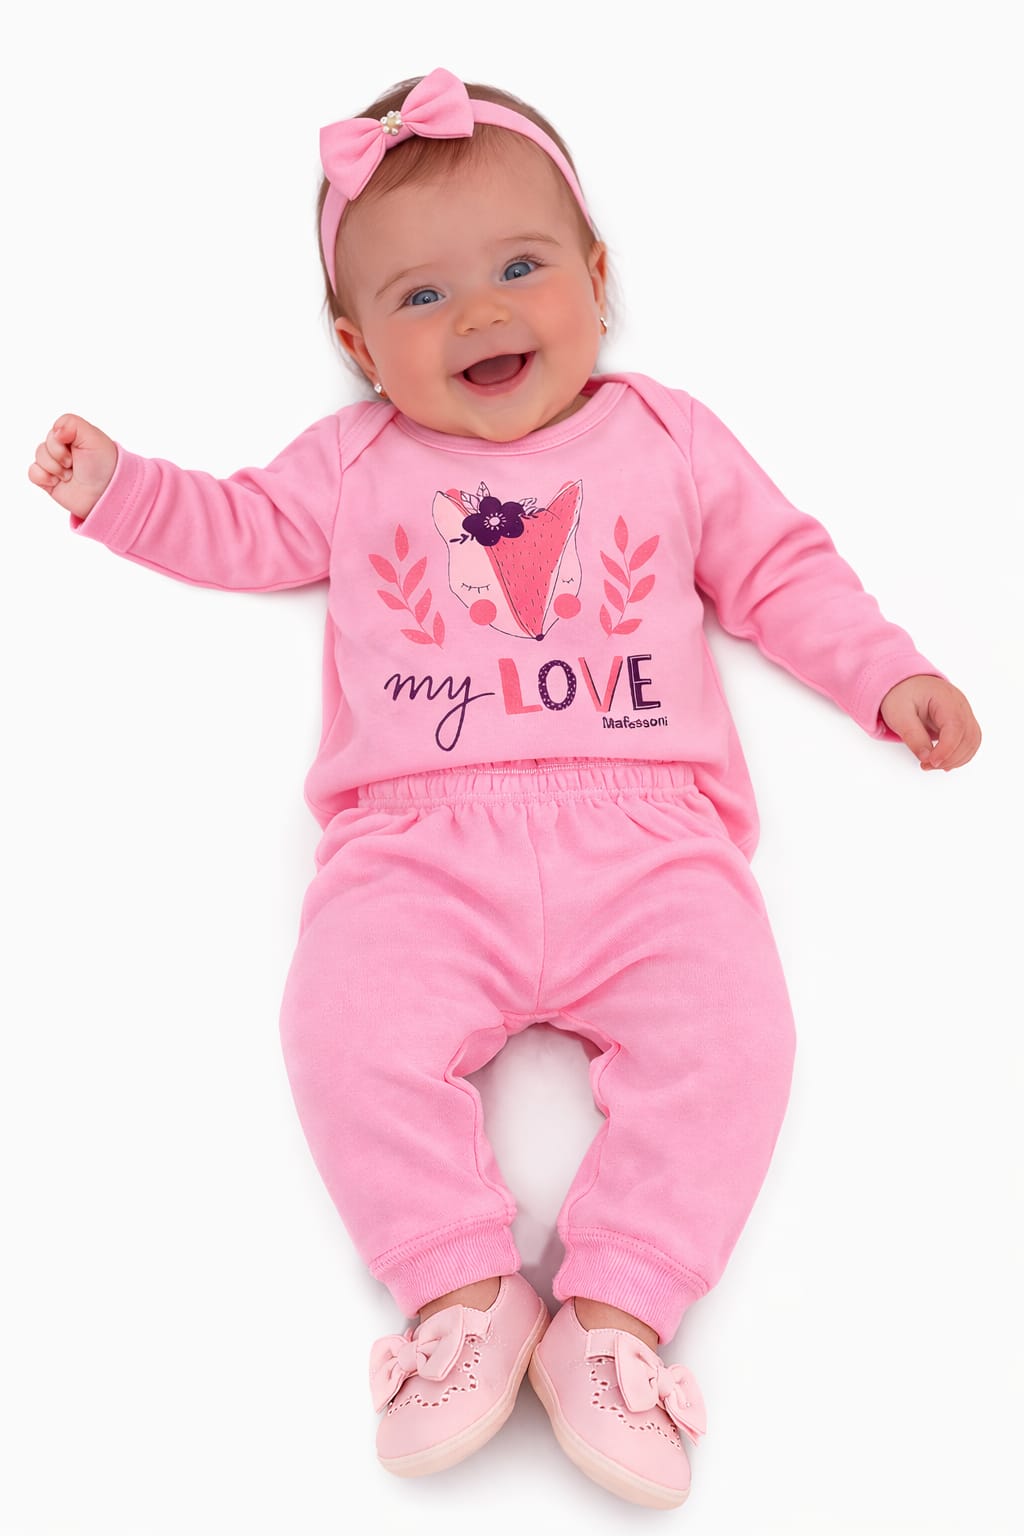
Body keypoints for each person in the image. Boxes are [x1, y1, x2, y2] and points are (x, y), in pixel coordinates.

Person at [28, 66, 981, 1513]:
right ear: (357, 348)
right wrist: (120, 489)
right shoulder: (354, 463)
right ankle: (462, 1289)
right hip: (415, 850)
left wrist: (886, 674)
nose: (477, 313)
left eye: (520, 269)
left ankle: (617, 1315)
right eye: (420, 297)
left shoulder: (668, 437)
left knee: (736, 1043)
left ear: (598, 277)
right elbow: (241, 526)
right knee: (342, 1031)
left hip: (651, 840)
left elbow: (782, 571)